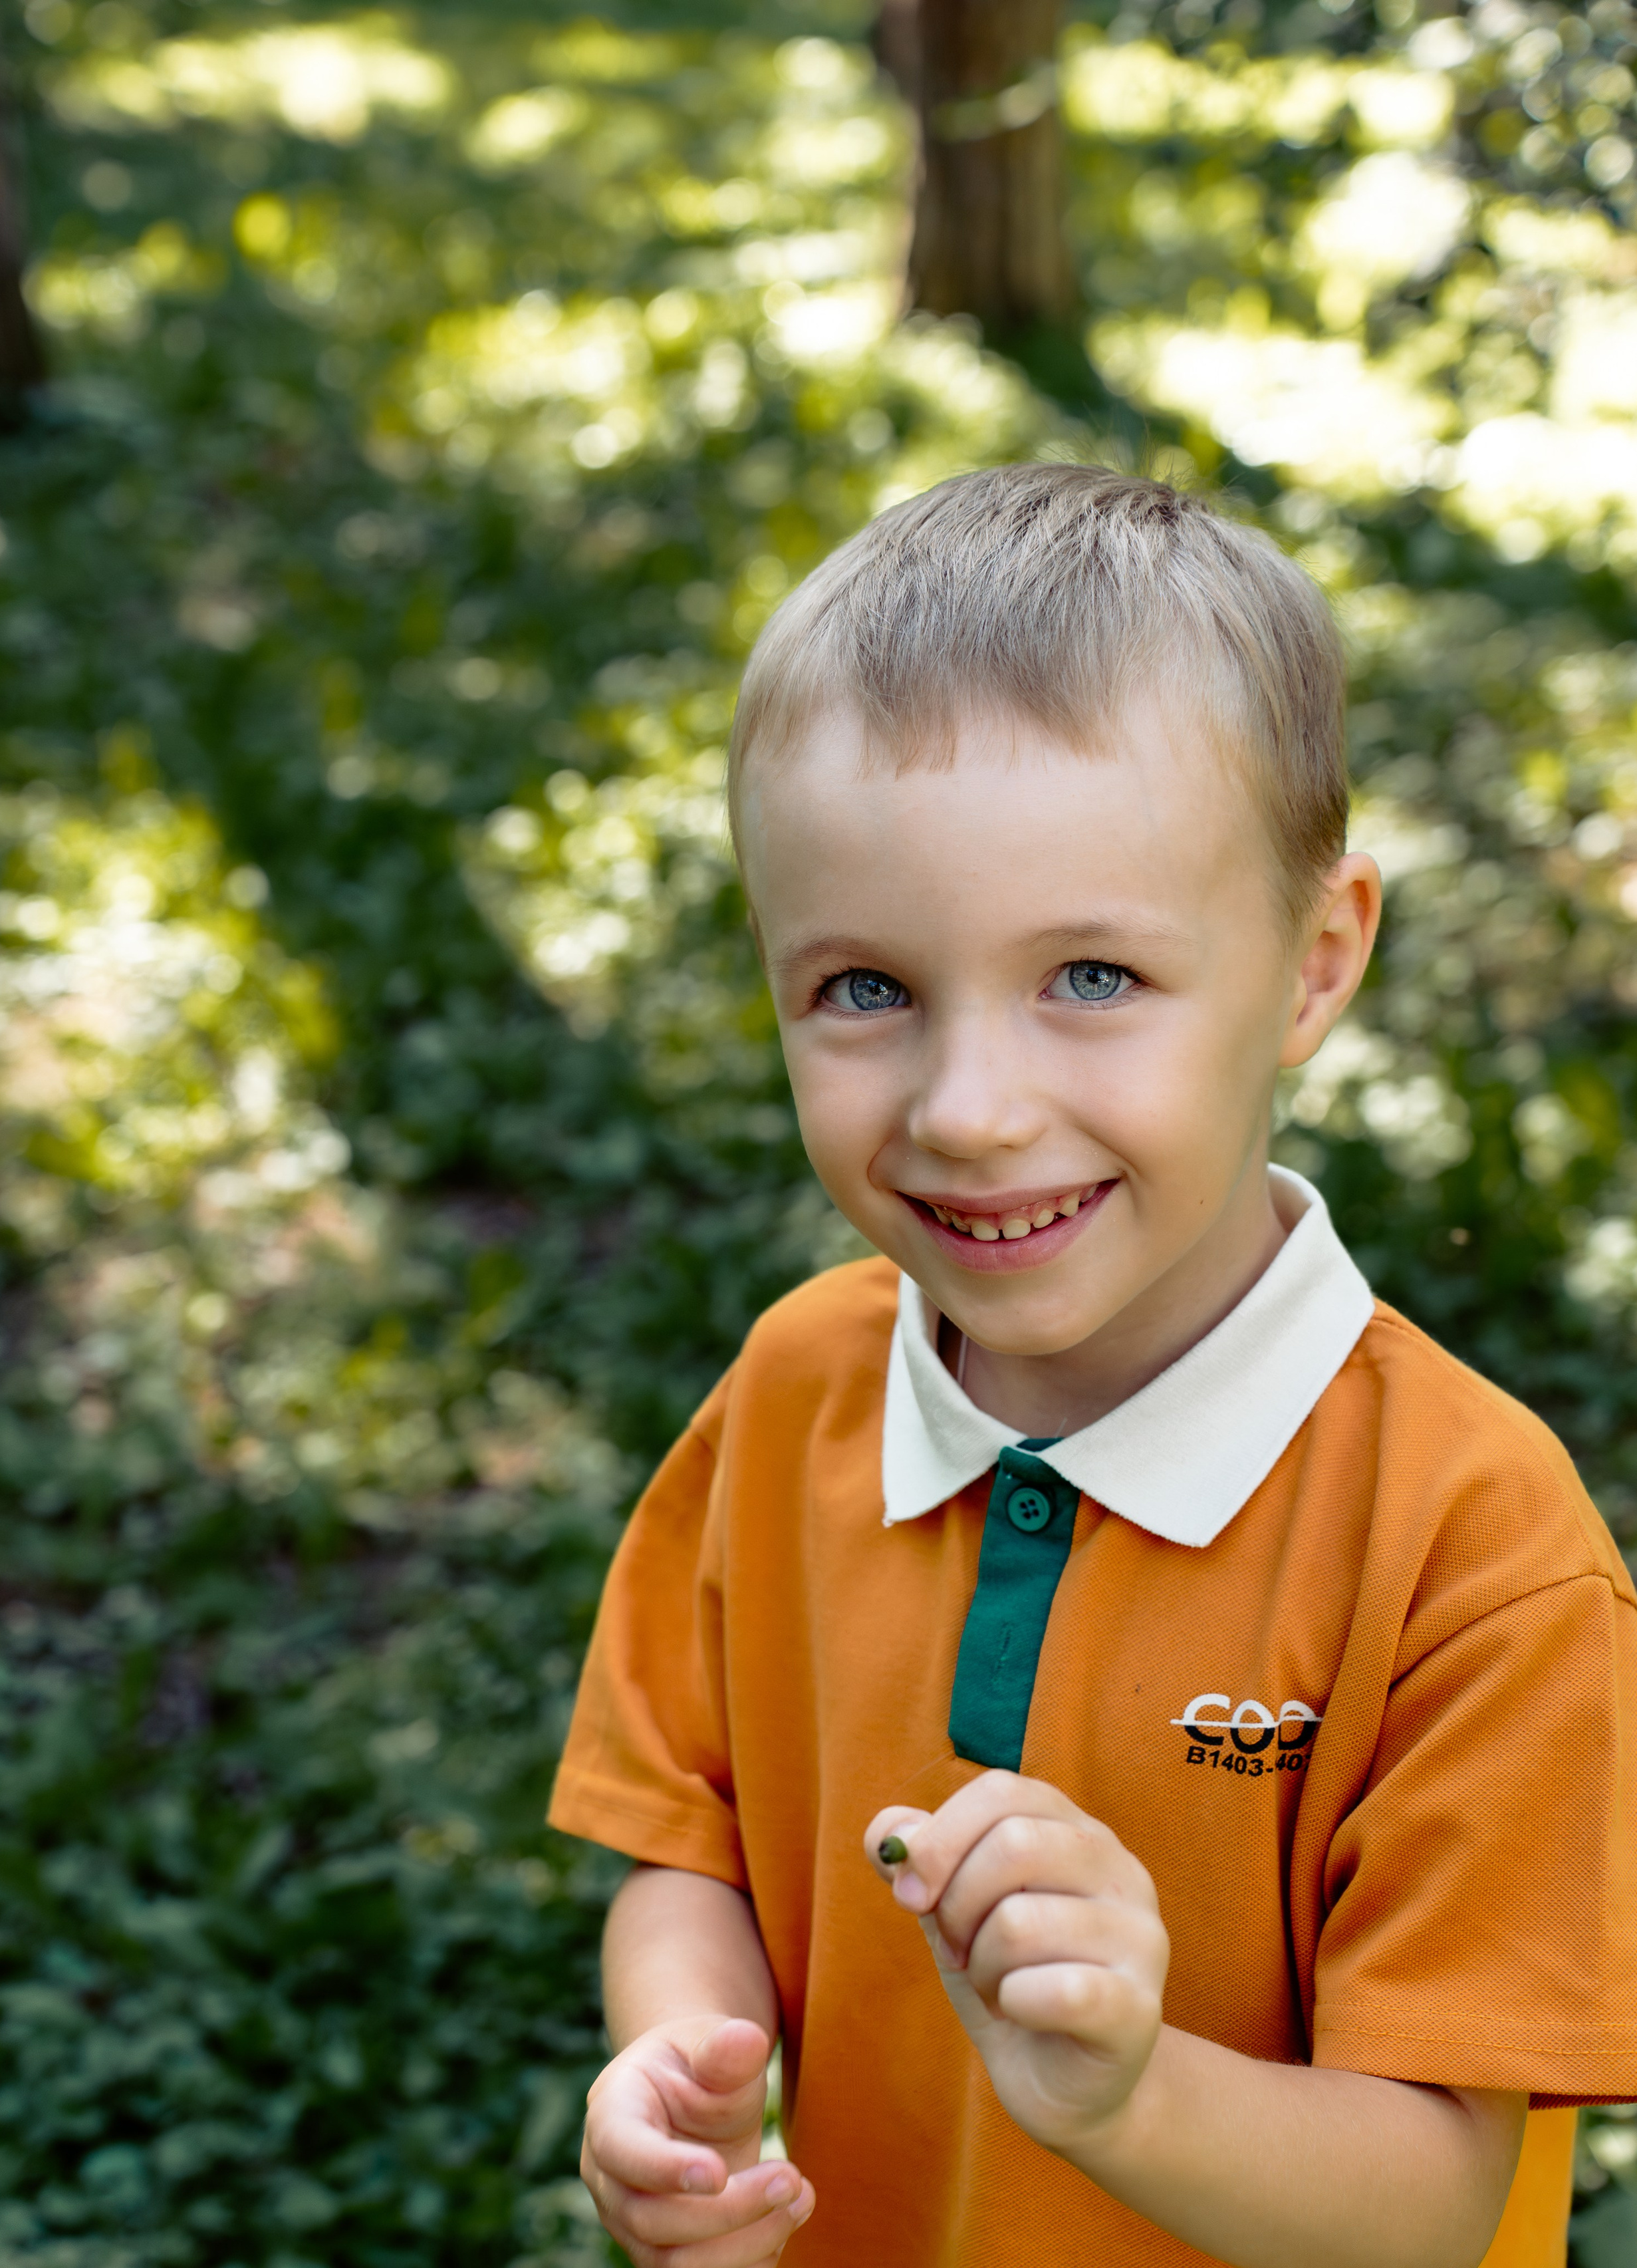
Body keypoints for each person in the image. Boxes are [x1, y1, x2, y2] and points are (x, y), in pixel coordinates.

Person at [548, 464, 1637, 2268]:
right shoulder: (794, 1389)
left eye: (1096, 976)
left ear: (1314, 959)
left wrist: (1132, 2089)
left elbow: (1439, 2204)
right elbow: (696, 1841)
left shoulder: (1474, 1548)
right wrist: (678, 2054)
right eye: (867, 989)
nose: (972, 1109)